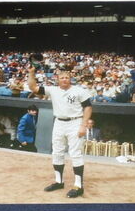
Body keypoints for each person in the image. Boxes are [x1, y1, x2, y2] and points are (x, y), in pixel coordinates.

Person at [27, 65, 93, 198]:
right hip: (59, 122)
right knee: (57, 151)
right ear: (57, 79)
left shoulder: (79, 90)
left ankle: (78, 185)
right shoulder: (53, 90)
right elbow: (33, 88)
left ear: (70, 79)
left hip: (75, 122)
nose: (64, 79)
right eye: (62, 77)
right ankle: (59, 181)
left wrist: (83, 125)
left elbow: (88, 108)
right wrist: (31, 73)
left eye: (67, 77)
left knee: (75, 153)